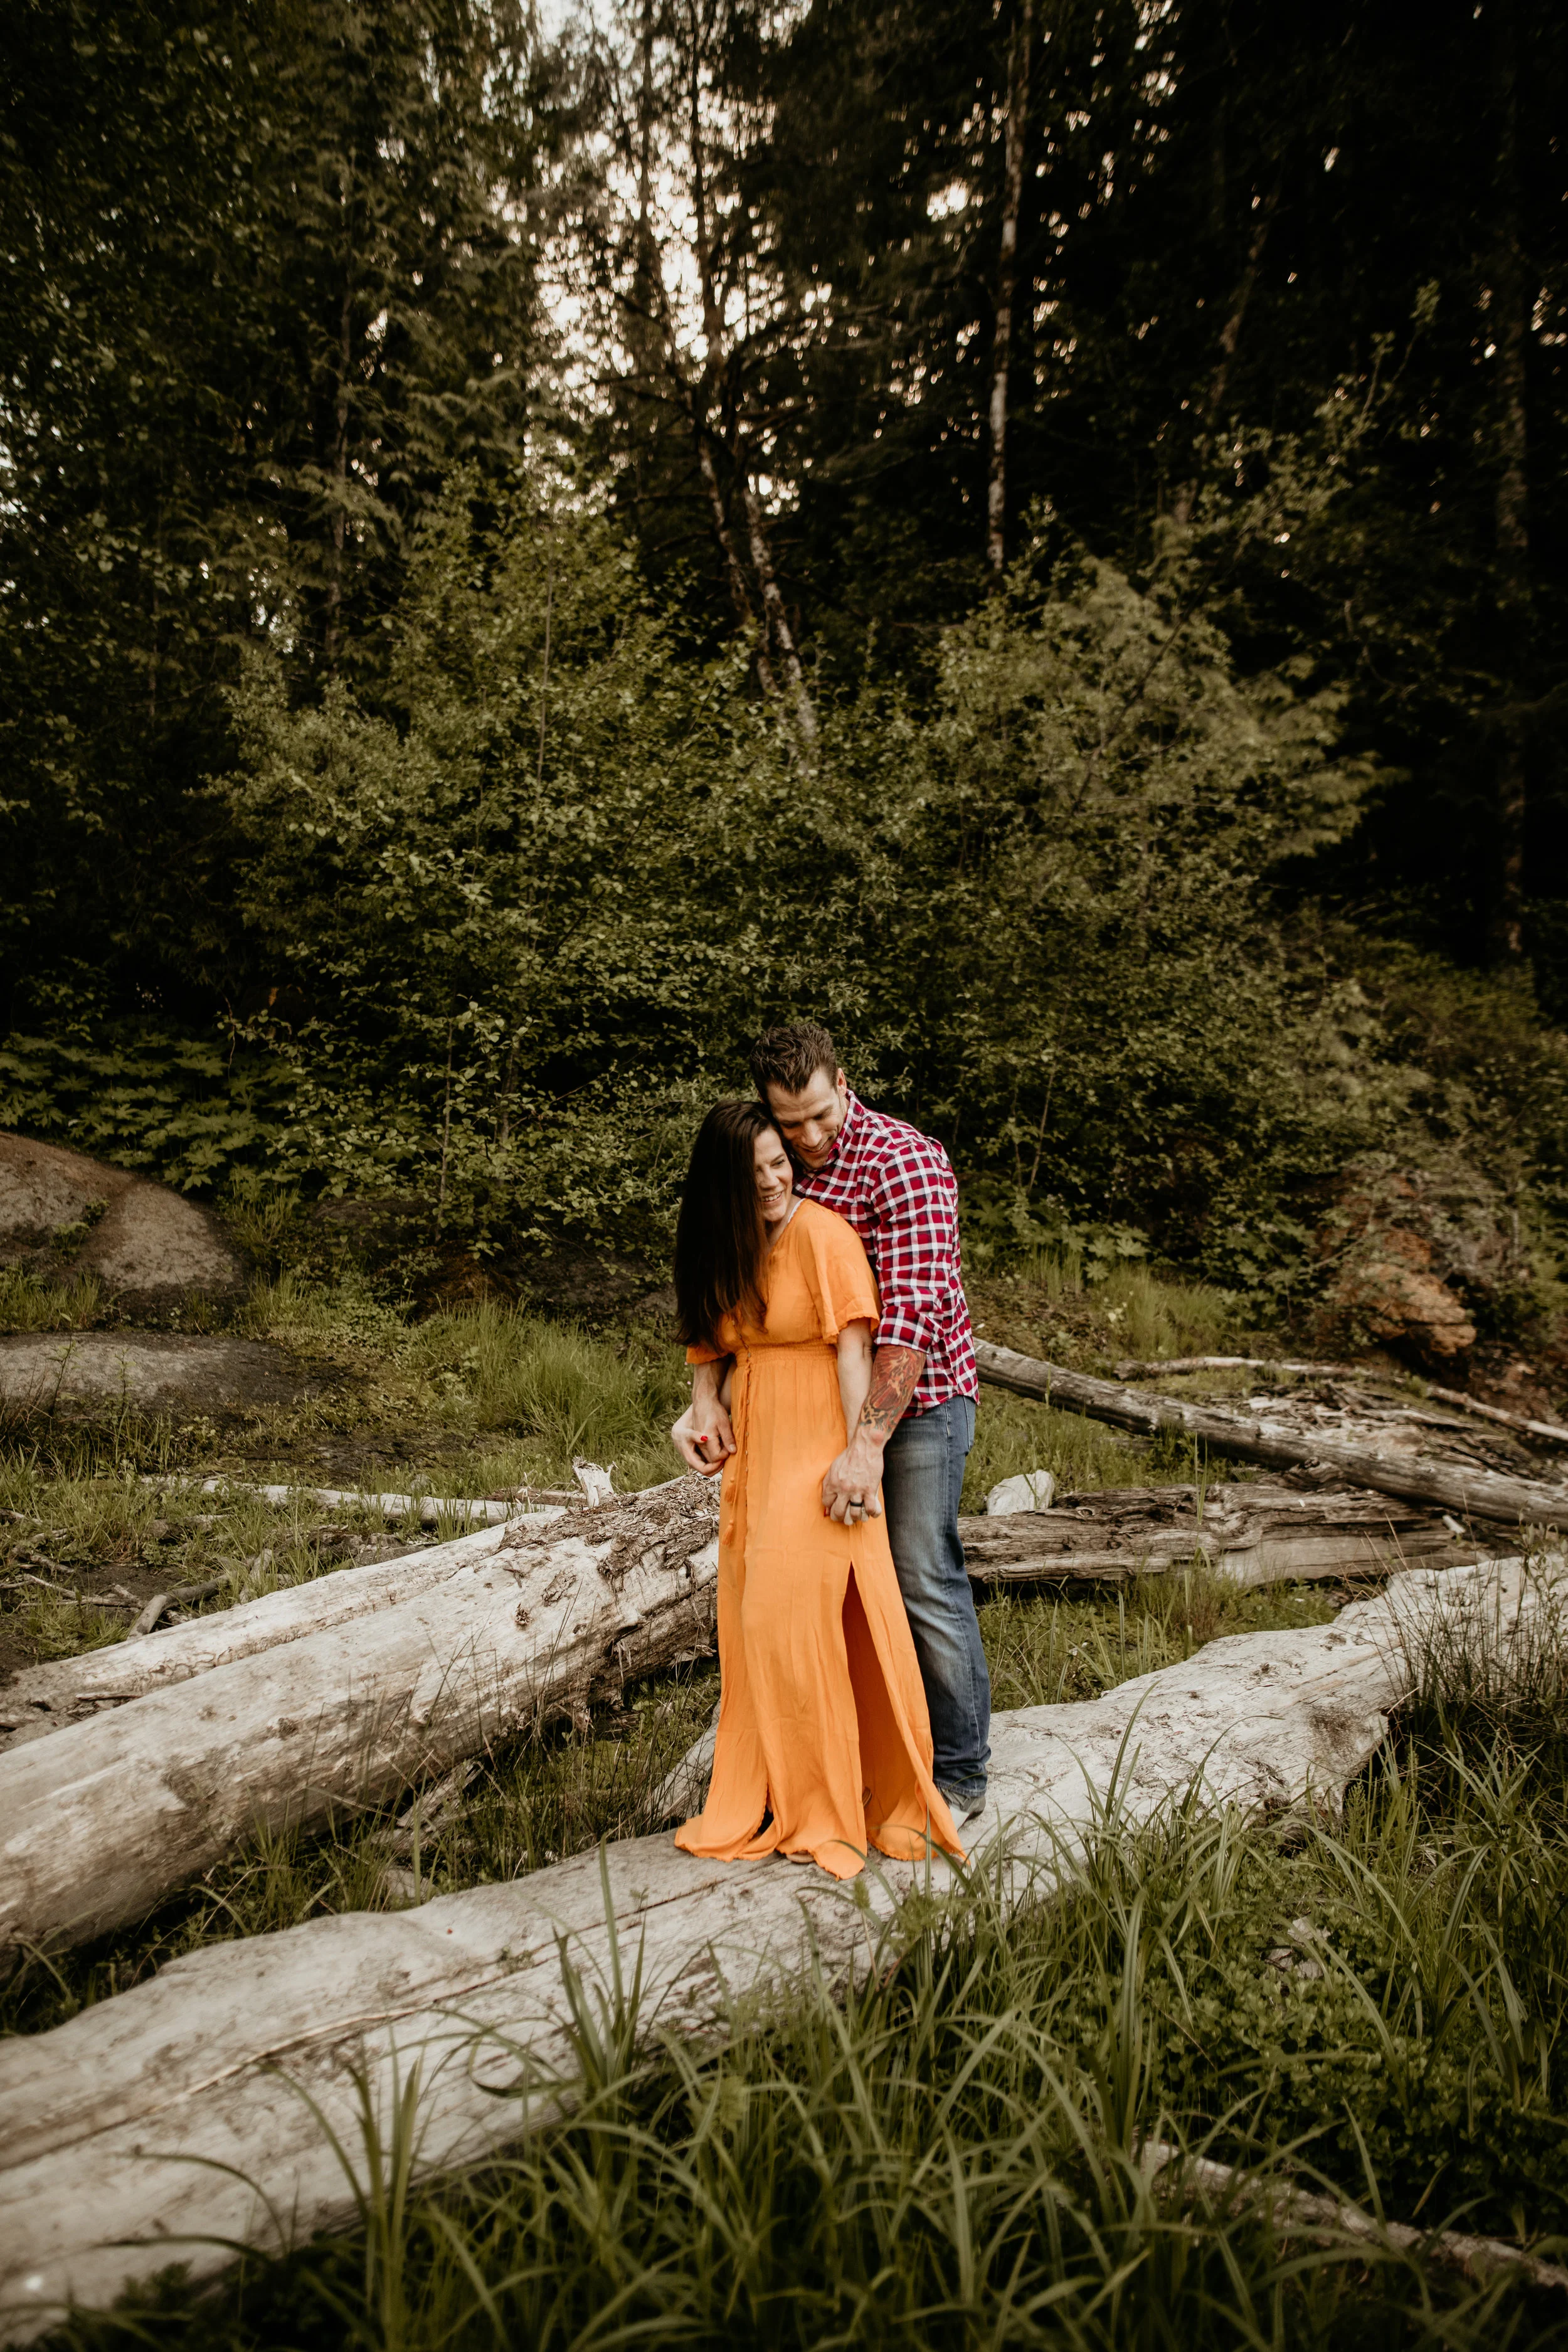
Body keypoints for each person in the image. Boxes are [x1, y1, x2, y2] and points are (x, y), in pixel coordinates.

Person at [672, 1024, 991, 1821]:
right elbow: (735, 1288)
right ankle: (854, 1766)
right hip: (820, 1421)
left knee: (919, 1576)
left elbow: (908, 1319)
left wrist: (866, 1446)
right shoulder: (773, 1165)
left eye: (821, 1116)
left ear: (844, 1084)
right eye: (792, 1125)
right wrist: (705, 1396)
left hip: (915, 1403)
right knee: (838, 1595)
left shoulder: (903, 1160)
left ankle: (957, 1773)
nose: (811, 1140)